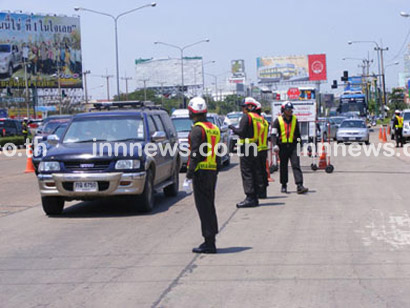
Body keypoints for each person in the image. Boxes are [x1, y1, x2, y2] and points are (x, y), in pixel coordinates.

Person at [186, 97, 220, 254]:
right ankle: (211, 237)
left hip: (201, 172)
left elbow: (195, 154)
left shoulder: (196, 130)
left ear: (192, 111)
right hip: (212, 171)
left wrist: (189, 174)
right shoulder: (213, 128)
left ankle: (209, 242)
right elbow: (219, 152)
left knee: (204, 207)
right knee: (209, 205)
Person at [229, 97, 261, 208]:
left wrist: (231, 127)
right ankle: (255, 197)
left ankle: (250, 197)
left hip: (246, 147)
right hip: (255, 146)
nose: (243, 109)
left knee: (247, 172)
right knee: (254, 171)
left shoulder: (246, 117)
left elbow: (241, 132)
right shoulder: (257, 117)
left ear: (250, 106)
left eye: (244, 106)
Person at [272, 101, 308, 194]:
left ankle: (299, 185)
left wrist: (301, 144)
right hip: (282, 147)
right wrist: (275, 144)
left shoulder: (295, 120)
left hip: (293, 146)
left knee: (296, 165)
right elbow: (273, 134)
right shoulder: (278, 120)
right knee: (283, 166)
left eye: (291, 109)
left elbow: (298, 134)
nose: (290, 111)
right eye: (288, 109)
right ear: (284, 110)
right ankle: (284, 185)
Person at [254, 101, 269, 199]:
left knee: (257, 171)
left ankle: (260, 191)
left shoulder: (255, 121)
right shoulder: (264, 121)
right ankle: (263, 191)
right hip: (264, 148)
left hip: (256, 149)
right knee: (263, 170)